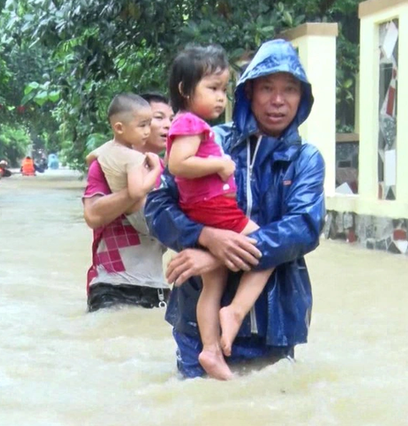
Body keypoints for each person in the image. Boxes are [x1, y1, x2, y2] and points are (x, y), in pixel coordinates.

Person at [145, 39, 326, 378]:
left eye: (289, 90)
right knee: (197, 416)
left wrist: (217, 255)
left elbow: (303, 228)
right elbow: (157, 205)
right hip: (197, 319)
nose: (277, 100)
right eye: (267, 88)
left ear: (302, 98)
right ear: (248, 93)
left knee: (267, 419)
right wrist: (203, 235)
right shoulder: (210, 140)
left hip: (274, 323)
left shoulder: (306, 160)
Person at [164, 44, 275, 380]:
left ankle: (211, 349)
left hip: (203, 212)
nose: (220, 98)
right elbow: (176, 164)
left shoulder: (193, 124)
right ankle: (235, 313)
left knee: (213, 285)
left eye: (224, 90)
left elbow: (304, 226)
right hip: (215, 210)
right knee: (264, 246)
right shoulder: (190, 124)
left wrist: (212, 253)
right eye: (212, 89)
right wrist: (221, 163)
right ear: (185, 90)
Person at [82, 93, 174, 312]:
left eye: (172, 118)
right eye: (157, 118)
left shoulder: (168, 172)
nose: (167, 125)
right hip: (111, 286)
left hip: (156, 286)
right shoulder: (105, 164)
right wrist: (134, 192)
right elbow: (92, 215)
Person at [85, 94, 163, 234]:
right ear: (119, 128)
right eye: (142, 125)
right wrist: (155, 170)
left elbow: (89, 158)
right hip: (144, 216)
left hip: (136, 220)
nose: (147, 131)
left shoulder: (104, 151)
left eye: (149, 124)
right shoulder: (134, 158)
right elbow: (136, 192)